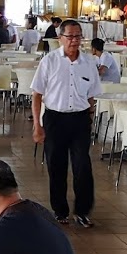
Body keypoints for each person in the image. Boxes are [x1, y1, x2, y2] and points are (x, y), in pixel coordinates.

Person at [31, 20, 102, 227]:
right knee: (56, 165)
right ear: (60, 38)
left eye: (78, 36)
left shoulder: (89, 63)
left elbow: (92, 96)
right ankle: (60, 210)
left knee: (82, 165)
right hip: (54, 118)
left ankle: (82, 210)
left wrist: (89, 117)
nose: (74, 41)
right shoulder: (50, 61)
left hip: (79, 119)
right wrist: (37, 125)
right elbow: (37, 94)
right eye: (70, 36)